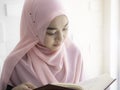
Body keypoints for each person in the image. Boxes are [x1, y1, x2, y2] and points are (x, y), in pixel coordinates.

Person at [0, 0, 84, 90]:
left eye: (65, 28)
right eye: (51, 32)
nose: (60, 38)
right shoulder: (16, 64)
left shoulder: (74, 54)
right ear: (34, 29)